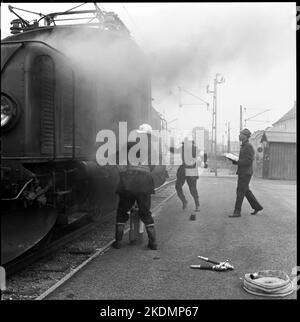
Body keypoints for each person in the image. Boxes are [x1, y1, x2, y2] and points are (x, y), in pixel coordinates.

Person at [112, 124, 158, 250]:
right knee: (145, 212)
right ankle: (153, 243)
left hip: (128, 182)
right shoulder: (152, 148)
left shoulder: (130, 144)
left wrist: (122, 171)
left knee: (122, 211)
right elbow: (152, 166)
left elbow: (116, 157)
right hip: (144, 184)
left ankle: (118, 242)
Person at [229, 128, 263, 217]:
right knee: (246, 191)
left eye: (241, 134)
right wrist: (235, 160)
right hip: (243, 172)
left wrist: (238, 161)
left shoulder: (248, 146)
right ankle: (257, 207)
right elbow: (244, 159)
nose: (239, 136)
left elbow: (248, 161)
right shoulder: (244, 145)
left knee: (240, 191)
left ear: (245, 136)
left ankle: (237, 212)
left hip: (245, 173)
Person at [170, 139, 200, 211]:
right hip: (185, 169)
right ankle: (185, 201)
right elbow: (175, 150)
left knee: (192, 189)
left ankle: (196, 204)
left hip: (190, 169)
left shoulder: (194, 149)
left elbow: (198, 157)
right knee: (179, 187)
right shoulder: (184, 148)